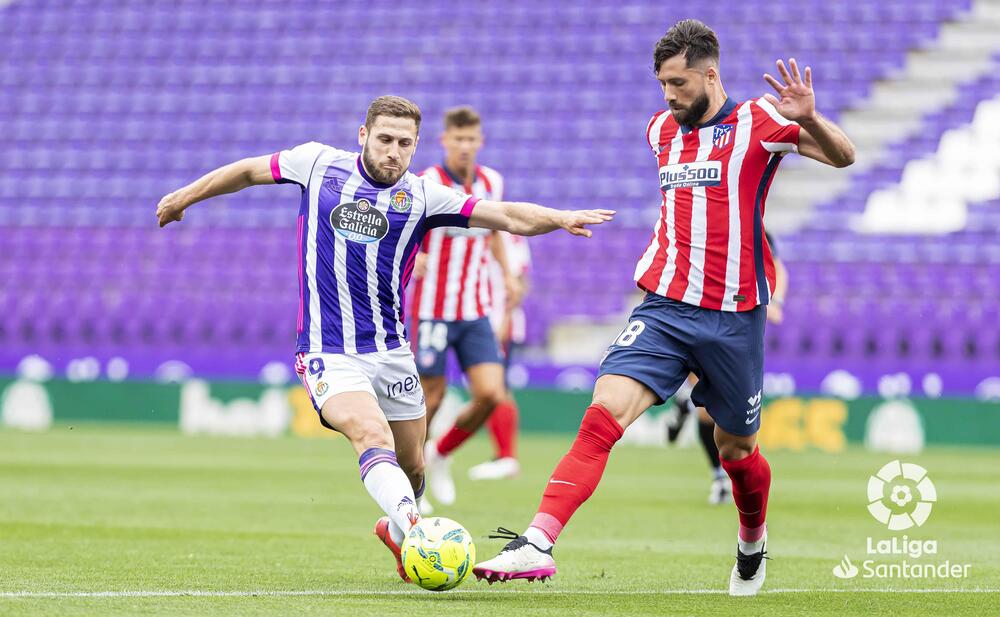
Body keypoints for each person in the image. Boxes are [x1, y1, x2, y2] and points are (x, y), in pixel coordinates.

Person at [153, 95, 614, 583]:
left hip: (392, 354)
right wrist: (184, 197)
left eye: (404, 143)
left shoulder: (423, 196)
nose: (393, 151)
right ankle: (420, 534)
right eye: (385, 140)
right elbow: (248, 171)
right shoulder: (317, 165)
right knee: (371, 436)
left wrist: (560, 217)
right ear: (363, 136)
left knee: (414, 466)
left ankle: (396, 530)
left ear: (415, 147)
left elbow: (506, 217)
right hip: (329, 352)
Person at [472, 20, 854, 596]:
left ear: (710, 74)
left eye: (678, 83)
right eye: (662, 85)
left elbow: (843, 158)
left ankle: (753, 538)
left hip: (734, 317)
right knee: (603, 416)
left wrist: (809, 118)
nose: (669, 96)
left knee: (737, 449)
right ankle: (537, 542)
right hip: (664, 307)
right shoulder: (660, 130)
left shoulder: (759, 123)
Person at [407, 106, 520, 511]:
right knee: (429, 399)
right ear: (444, 141)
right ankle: (412, 482)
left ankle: (440, 453)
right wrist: (411, 256)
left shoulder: (492, 181)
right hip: (433, 310)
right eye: (458, 139)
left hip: (474, 309)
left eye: (472, 139)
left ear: (480, 142)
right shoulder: (425, 183)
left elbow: (495, 231)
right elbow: (407, 228)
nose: (465, 146)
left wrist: (507, 276)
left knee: (491, 393)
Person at [666, 230, 788, 505]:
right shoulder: (697, 221)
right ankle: (719, 479)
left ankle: (684, 399)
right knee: (705, 413)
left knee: (713, 414)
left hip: (737, 322)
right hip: (699, 314)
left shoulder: (755, 226)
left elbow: (778, 265)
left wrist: (776, 301)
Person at [467, 230, 531, 481]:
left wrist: (504, 318)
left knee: (495, 389)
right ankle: (504, 455)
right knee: (491, 388)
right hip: (482, 320)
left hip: (496, 322)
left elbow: (519, 282)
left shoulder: (507, 235)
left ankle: (506, 457)